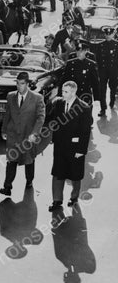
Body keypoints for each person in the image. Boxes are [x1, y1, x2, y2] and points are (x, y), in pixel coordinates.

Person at [49, 81, 93, 211]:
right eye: (63, 91)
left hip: (75, 147)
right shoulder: (59, 103)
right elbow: (53, 120)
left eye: (66, 92)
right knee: (58, 173)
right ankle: (57, 200)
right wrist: (54, 137)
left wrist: (81, 150)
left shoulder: (84, 107)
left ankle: (74, 197)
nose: (63, 94)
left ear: (73, 92)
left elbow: (85, 131)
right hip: (60, 146)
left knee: (75, 174)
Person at [0, 71, 46, 195]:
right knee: (11, 161)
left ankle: (29, 181)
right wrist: (4, 130)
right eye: (17, 83)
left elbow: (40, 117)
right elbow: (7, 115)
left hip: (28, 135)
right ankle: (7, 187)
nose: (18, 86)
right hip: (13, 135)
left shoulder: (37, 98)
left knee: (29, 160)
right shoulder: (10, 96)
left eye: (21, 84)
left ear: (27, 84)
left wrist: (35, 133)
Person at [59, 40, 100, 107]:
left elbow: (95, 83)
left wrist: (97, 99)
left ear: (85, 52)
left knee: (86, 115)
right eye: (77, 51)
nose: (79, 53)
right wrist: (60, 95)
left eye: (81, 51)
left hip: (85, 95)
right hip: (72, 94)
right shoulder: (70, 63)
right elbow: (64, 80)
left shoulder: (91, 64)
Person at [92, 26, 118, 116]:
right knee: (102, 89)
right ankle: (103, 108)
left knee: (113, 88)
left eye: (109, 34)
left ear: (113, 34)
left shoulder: (116, 45)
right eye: (106, 34)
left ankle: (112, 102)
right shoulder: (100, 45)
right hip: (103, 71)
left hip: (113, 71)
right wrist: (98, 70)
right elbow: (97, 59)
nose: (108, 36)